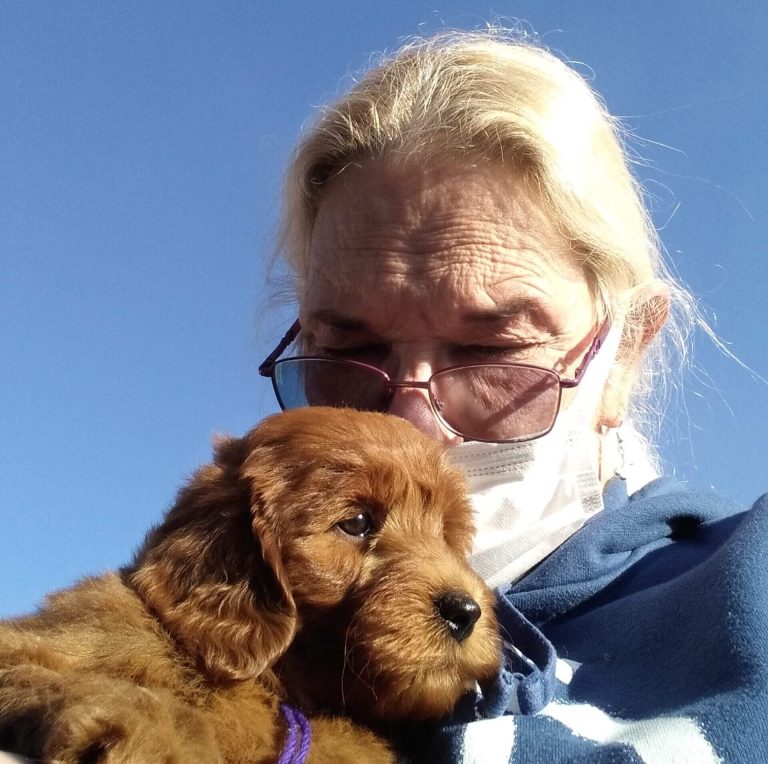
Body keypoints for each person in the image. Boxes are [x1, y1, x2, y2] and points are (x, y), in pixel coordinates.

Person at [258, 30, 768, 763]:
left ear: (622, 354)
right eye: (348, 353)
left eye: (492, 349)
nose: (411, 426)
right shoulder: (232, 606)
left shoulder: (748, 598)